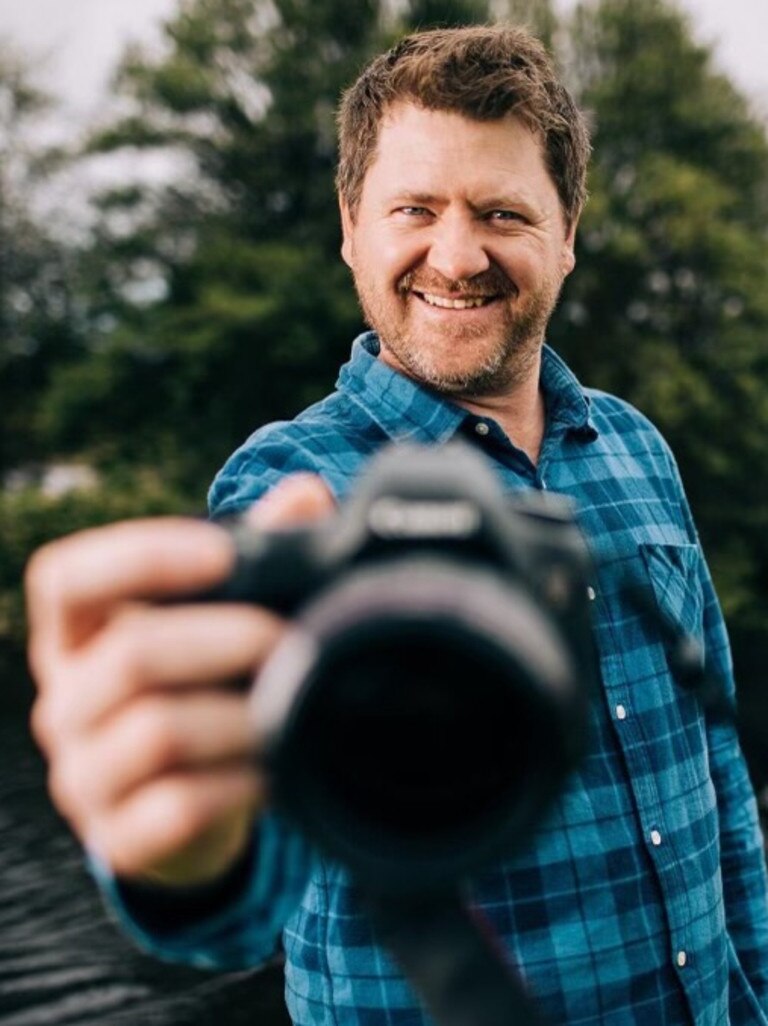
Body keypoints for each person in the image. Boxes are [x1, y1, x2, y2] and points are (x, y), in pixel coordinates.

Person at [25, 25, 768, 1026]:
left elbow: (722, 787)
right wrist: (183, 858)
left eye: (503, 212)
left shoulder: (637, 448)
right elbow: (239, 905)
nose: (457, 255)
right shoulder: (287, 489)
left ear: (567, 232)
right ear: (351, 228)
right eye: (415, 209)